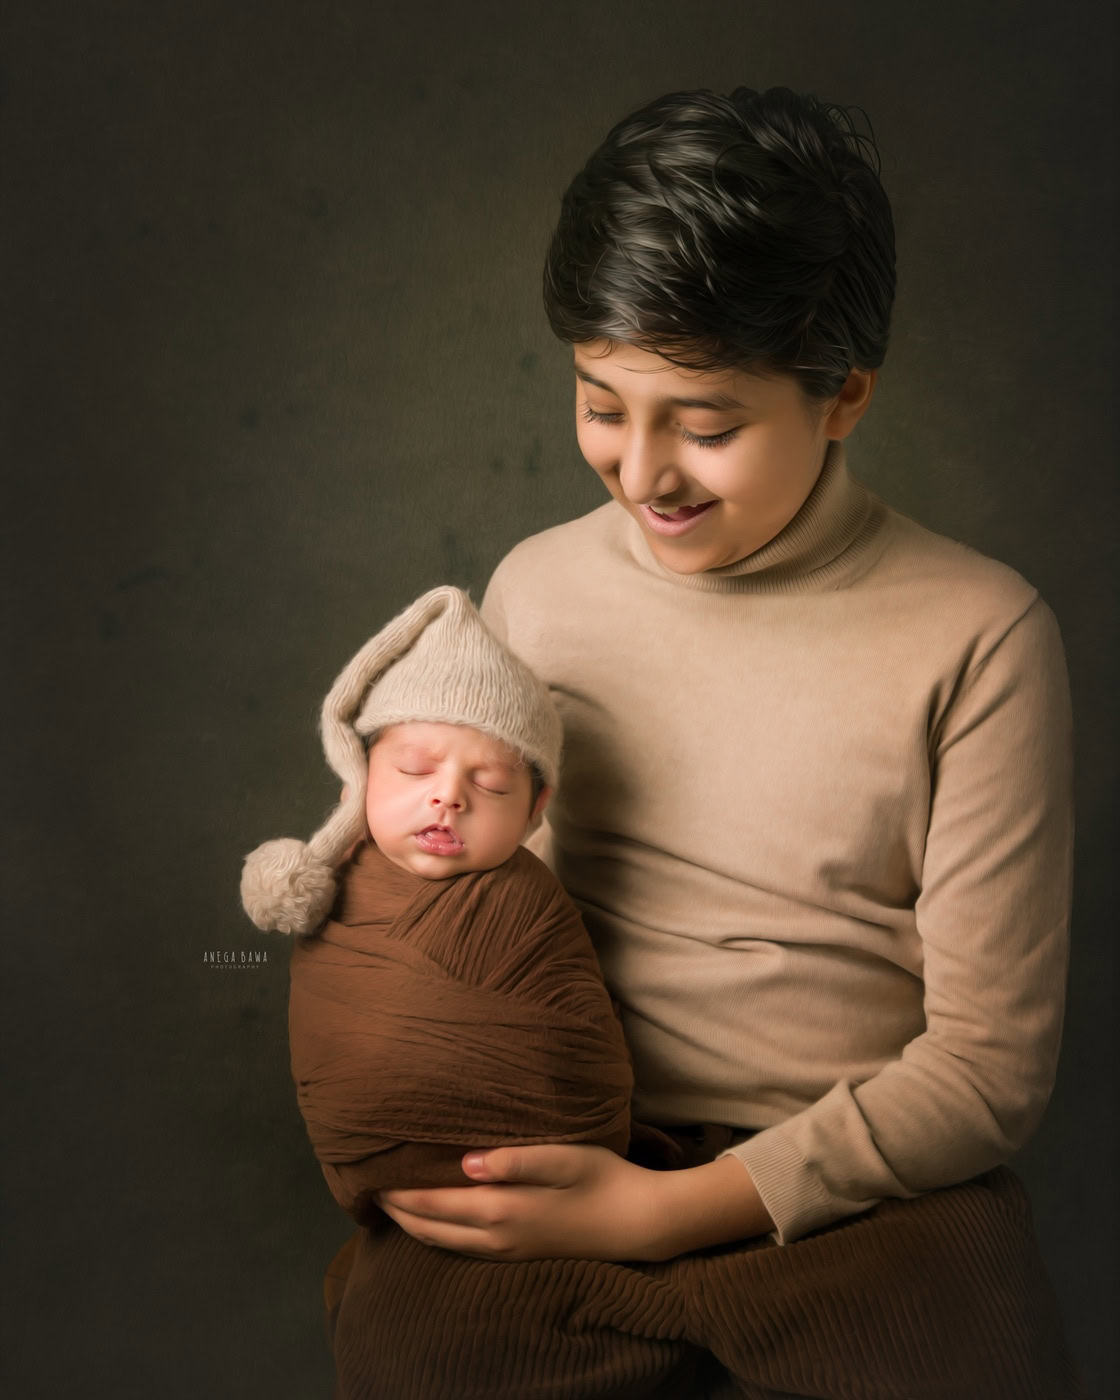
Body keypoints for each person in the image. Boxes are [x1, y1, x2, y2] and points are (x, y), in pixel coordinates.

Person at [359, 86, 1084, 1398]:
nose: (643, 474)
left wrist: (659, 1212)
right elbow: (462, 880)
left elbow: (987, 1071)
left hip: (862, 1176)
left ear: (843, 395)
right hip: (568, 1130)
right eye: (599, 404)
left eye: (707, 426)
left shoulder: (982, 636)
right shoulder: (535, 589)